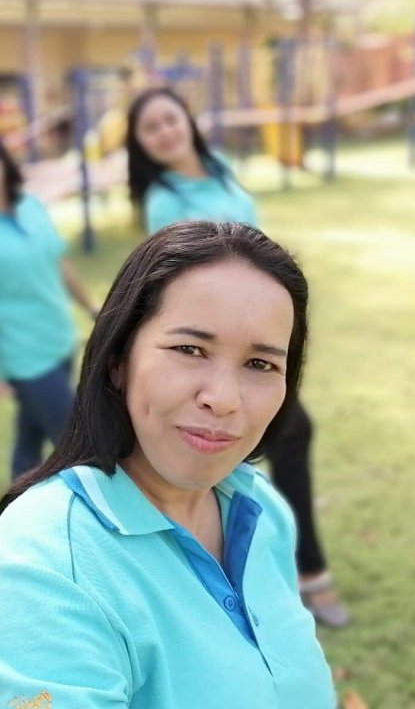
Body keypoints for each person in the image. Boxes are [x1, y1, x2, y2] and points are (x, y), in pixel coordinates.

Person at [0, 221, 336, 708]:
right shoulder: (45, 567)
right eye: (189, 349)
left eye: (260, 364)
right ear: (118, 359)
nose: (224, 399)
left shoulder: (260, 506)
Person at [125, 86, 351, 628]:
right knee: (269, 437)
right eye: (150, 128)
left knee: (273, 437)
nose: (164, 133)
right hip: (214, 343)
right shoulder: (164, 200)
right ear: (140, 144)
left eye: (169, 119)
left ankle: (281, 563)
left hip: (254, 332)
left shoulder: (220, 168)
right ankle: (305, 571)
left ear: (188, 120)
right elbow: (172, 283)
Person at [0, 125, 98, 480]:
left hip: (59, 340)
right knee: (78, 446)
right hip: (25, 358)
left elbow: (59, 263)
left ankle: (15, 501)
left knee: (30, 435)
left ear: (1, 160)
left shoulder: (30, 205)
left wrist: (91, 308)